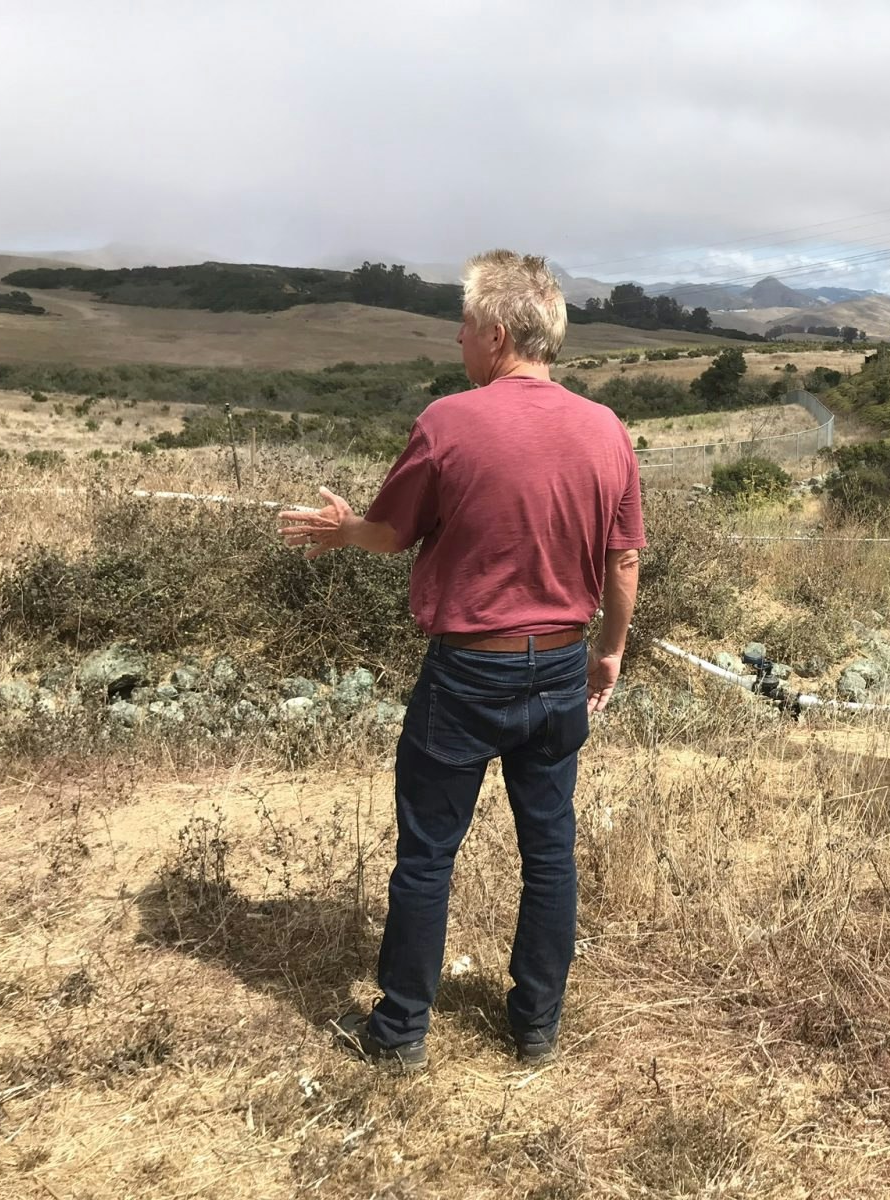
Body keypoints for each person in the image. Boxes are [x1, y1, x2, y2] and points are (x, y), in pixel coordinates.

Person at [277, 250, 645, 1069]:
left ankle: (402, 1030)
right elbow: (624, 563)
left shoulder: (449, 421)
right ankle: (537, 1025)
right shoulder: (608, 430)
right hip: (559, 666)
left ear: (499, 332)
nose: (457, 338)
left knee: (427, 854)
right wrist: (610, 653)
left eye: (467, 324)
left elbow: (389, 533)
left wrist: (344, 531)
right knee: (549, 849)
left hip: (466, 671)